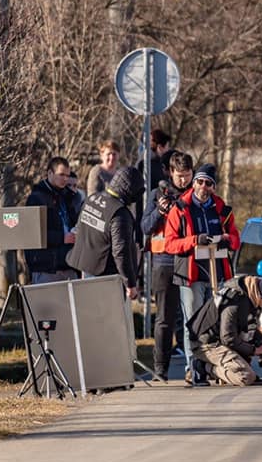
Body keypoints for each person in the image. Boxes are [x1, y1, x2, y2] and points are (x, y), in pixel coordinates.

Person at [163, 163, 241, 373]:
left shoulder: (221, 209)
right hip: (191, 274)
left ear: (213, 186)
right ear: (194, 181)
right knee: (194, 324)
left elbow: (236, 239)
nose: (203, 186)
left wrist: (227, 240)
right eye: (200, 181)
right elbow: (169, 244)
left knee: (215, 324)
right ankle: (193, 367)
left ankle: (214, 366)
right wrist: (194, 240)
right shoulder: (180, 208)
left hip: (218, 273)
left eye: (208, 183)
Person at [140, 151, 194, 379]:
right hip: (163, 262)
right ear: (170, 173)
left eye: (187, 175)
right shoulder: (157, 194)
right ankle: (160, 368)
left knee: (192, 315)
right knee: (165, 318)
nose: (183, 179)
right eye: (179, 175)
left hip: (190, 259)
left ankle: (195, 367)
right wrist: (160, 212)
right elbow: (144, 227)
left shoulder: (196, 193)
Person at [189, 275, 262, 387]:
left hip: (220, 340)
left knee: (247, 369)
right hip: (206, 343)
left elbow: (249, 329)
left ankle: (224, 366)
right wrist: (255, 350)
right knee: (245, 377)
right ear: (259, 294)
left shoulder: (251, 298)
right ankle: (203, 366)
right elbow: (228, 338)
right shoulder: (234, 302)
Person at [67, 167, 145, 300]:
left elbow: (80, 230)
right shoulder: (120, 214)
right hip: (105, 277)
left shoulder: (93, 199)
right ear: (130, 191)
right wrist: (130, 284)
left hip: (85, 269)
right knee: (106, 318)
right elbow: (120, 252)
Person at [25, 157, 80, 284]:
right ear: (50, 173)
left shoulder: (68, 196)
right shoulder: (36, 198)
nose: (65, 179)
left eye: (67, 175)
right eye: (61, 175)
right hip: (47, 267)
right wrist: (62, 238)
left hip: (68, 263)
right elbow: (32, 236)